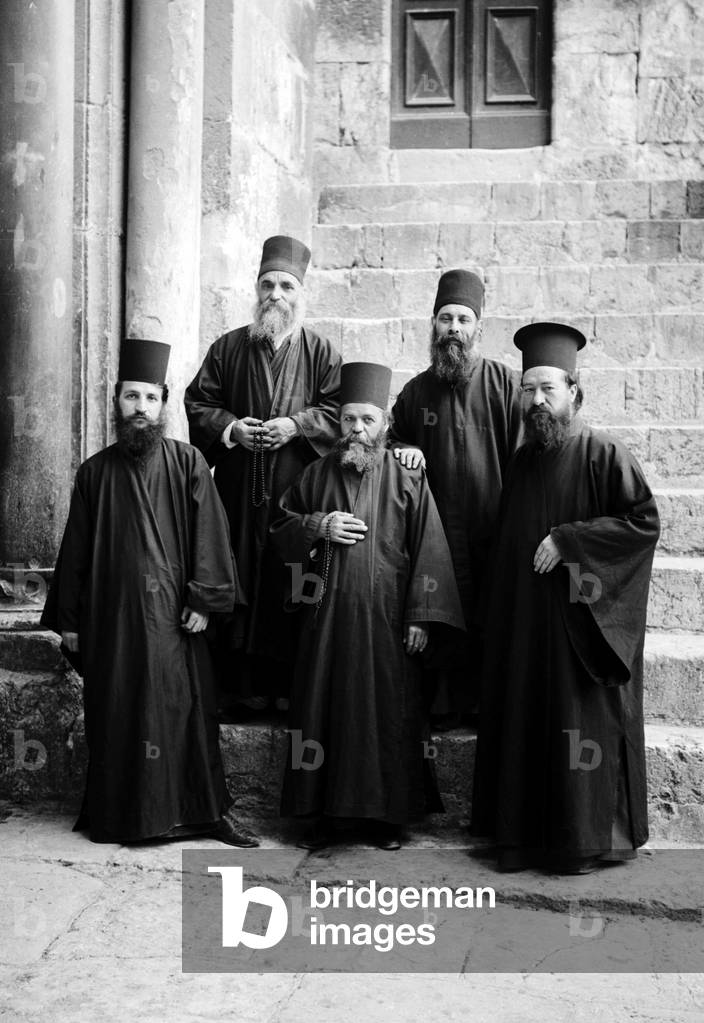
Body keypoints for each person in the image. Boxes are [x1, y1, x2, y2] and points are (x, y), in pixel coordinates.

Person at [41, 339, 258, 847]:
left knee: (186, 714)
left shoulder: (188, 464)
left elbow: (211, 534)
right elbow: (76, 550)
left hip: (177, 620)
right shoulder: (94, 472)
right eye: (130, 397)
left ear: (163, 403)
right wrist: (70, 619)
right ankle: (125, 816)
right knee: (119, 711)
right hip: (115, 622)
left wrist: (205, 599)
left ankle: (202, 815)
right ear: (117, 402)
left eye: (150, 398)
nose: (140, 408)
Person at [470, 322, 660, 874]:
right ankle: (521, 838)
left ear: (574, 391)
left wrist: (571, 539)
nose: (535, 401)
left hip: (583, 630)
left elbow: (641, 523)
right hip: (528, 626)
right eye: (527, 389)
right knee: (527, 721)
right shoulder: (523, 460)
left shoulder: (603, 452)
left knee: (578, 729)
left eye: (547, 389)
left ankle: (580, 842)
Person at [270, 362, 465, 851]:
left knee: (387, 717)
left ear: (383, 424)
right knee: (323, 711)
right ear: (339, 423)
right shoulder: (315, 475)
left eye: (368, 421)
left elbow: (430, 546)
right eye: (349, 420)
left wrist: (422, 614)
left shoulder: (407, 478)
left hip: (387, 624)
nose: (357, 429)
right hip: (326, 624)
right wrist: (317, 526)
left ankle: (386, 820)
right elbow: (279, 526)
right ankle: (323, 816)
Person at [184, 235, 342, 712]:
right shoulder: (228, 347)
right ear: (257, 290)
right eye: (268, 284)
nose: (276, 294)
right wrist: (233, 430)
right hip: (235, 496)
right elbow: (198, 403)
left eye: (287, 286)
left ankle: (285, 692)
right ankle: (235, 690)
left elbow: (339, 411)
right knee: (237, 576)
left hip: (296, 496)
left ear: (300, 294)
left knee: (289, 582)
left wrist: (296, 425)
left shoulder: (321, 352)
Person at [388, 269, 523, 726]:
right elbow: (391, 441)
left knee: (491, 612)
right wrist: (404, 450)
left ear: (478, 329)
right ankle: (444, 707)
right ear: (433, 325)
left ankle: (488, 704)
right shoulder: (415, 392)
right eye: (445, 318)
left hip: (493, 529)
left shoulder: (505, 386)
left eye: (463, 320)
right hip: (436, 535)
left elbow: (525, 456)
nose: (453, 329)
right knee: (442, 610)